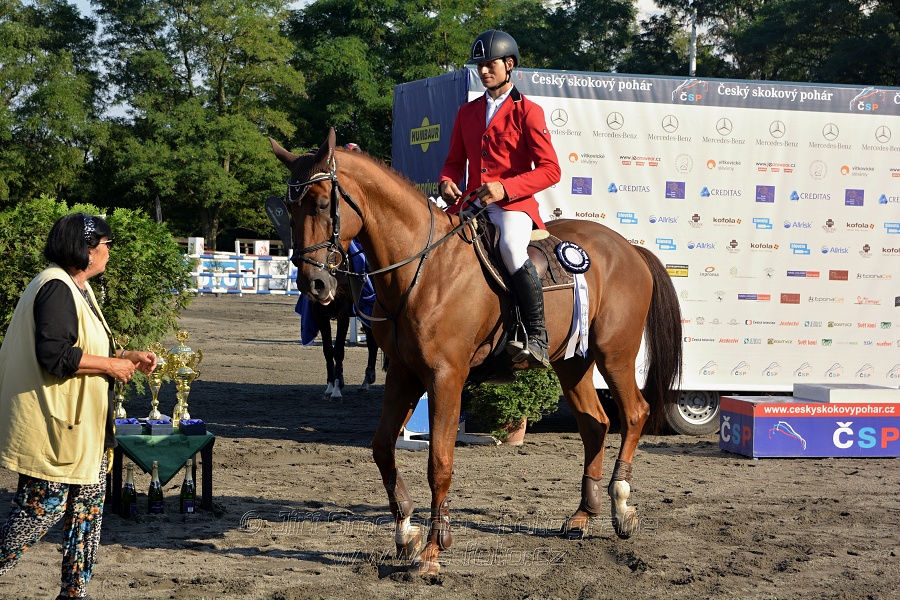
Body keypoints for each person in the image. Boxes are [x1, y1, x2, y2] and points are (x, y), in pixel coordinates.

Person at [0, 213, 157, 599]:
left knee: (87, 516)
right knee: (41, 511)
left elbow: (81, 347)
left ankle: (74, 594)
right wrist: (110, 366)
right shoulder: (56, 287)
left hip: (84, 430)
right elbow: (54, 355)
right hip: (55, 428)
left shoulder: (77, 287)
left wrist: (124, 356)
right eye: (106, 244)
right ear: (85, 249)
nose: (109, 252)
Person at [439, 29, 561, 368]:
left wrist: (505, 188)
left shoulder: (529, 112)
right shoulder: (466, 112)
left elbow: (551, 170)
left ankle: (537, 336)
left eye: (490, 64)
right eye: (479, 65)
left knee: (510, 248)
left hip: (512, 205)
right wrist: (446, 181)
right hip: (472, 202)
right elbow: (453, 162)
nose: (483, 71)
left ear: (509, 65)